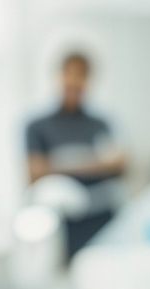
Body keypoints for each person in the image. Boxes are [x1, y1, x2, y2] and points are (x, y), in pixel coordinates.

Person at [25, 50, 126, 263]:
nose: (74, 80)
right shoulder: (38, 127)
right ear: (59, 76)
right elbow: (35, 172)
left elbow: (119, 165)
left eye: (81, 75)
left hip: (100, 219)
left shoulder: (100, 125)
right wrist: (95, 163)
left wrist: (57, 163)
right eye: (69, 73)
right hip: (60, 225)